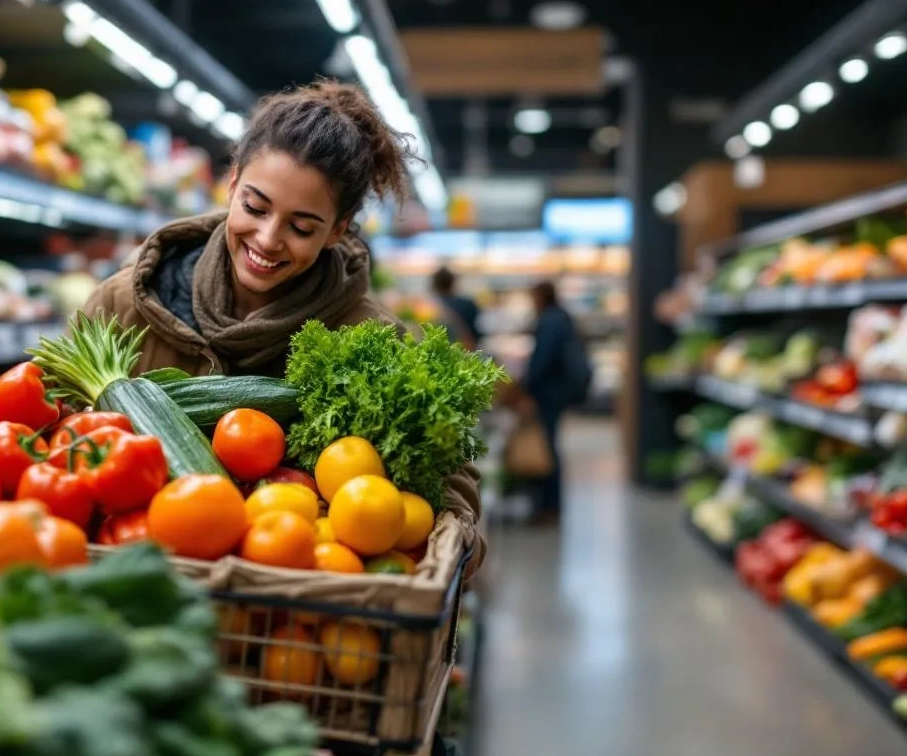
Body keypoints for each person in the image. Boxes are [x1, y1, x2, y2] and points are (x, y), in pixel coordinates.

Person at [81, 81, 484, 568]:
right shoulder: (123, 305)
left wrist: (441, 555)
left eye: (301, 227)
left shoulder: (374, 342)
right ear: (231, 184)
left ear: (338, 230)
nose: (268, 239)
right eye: (254, 207)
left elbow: (455, 508)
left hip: (291, 610)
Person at [522, 280, 591, 522]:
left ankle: (549, 505)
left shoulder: (549, 320)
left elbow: (543, 360)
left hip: (549, 392)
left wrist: (527, 386)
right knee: (550, 444)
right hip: (559, 390)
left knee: (547, 446)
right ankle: (549, 503)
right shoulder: (562, 317)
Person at [431, 266, 480, 348]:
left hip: (441, 353)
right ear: (452, 283)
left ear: (434, 285)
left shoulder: (430, 307)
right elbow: (476, 332)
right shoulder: (468, 304)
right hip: (467, 350)